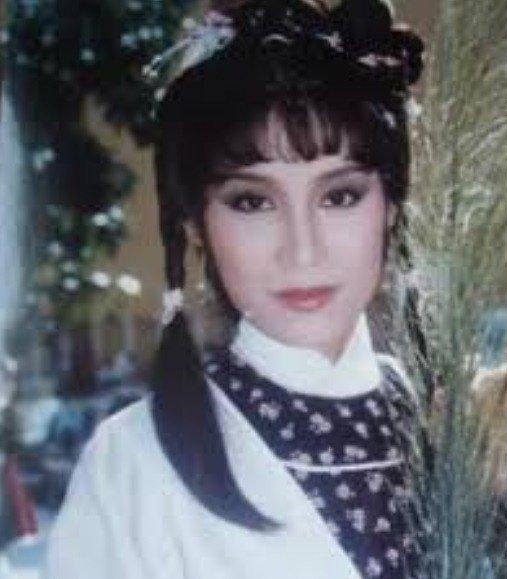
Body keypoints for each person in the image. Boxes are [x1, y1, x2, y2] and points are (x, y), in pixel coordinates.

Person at [45, 1, 430, 577]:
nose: (303, 251)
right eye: (252, 202)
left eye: (340, 196)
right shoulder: (132, 465)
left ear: (390, 209)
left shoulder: (451, 435)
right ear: (198, 227)